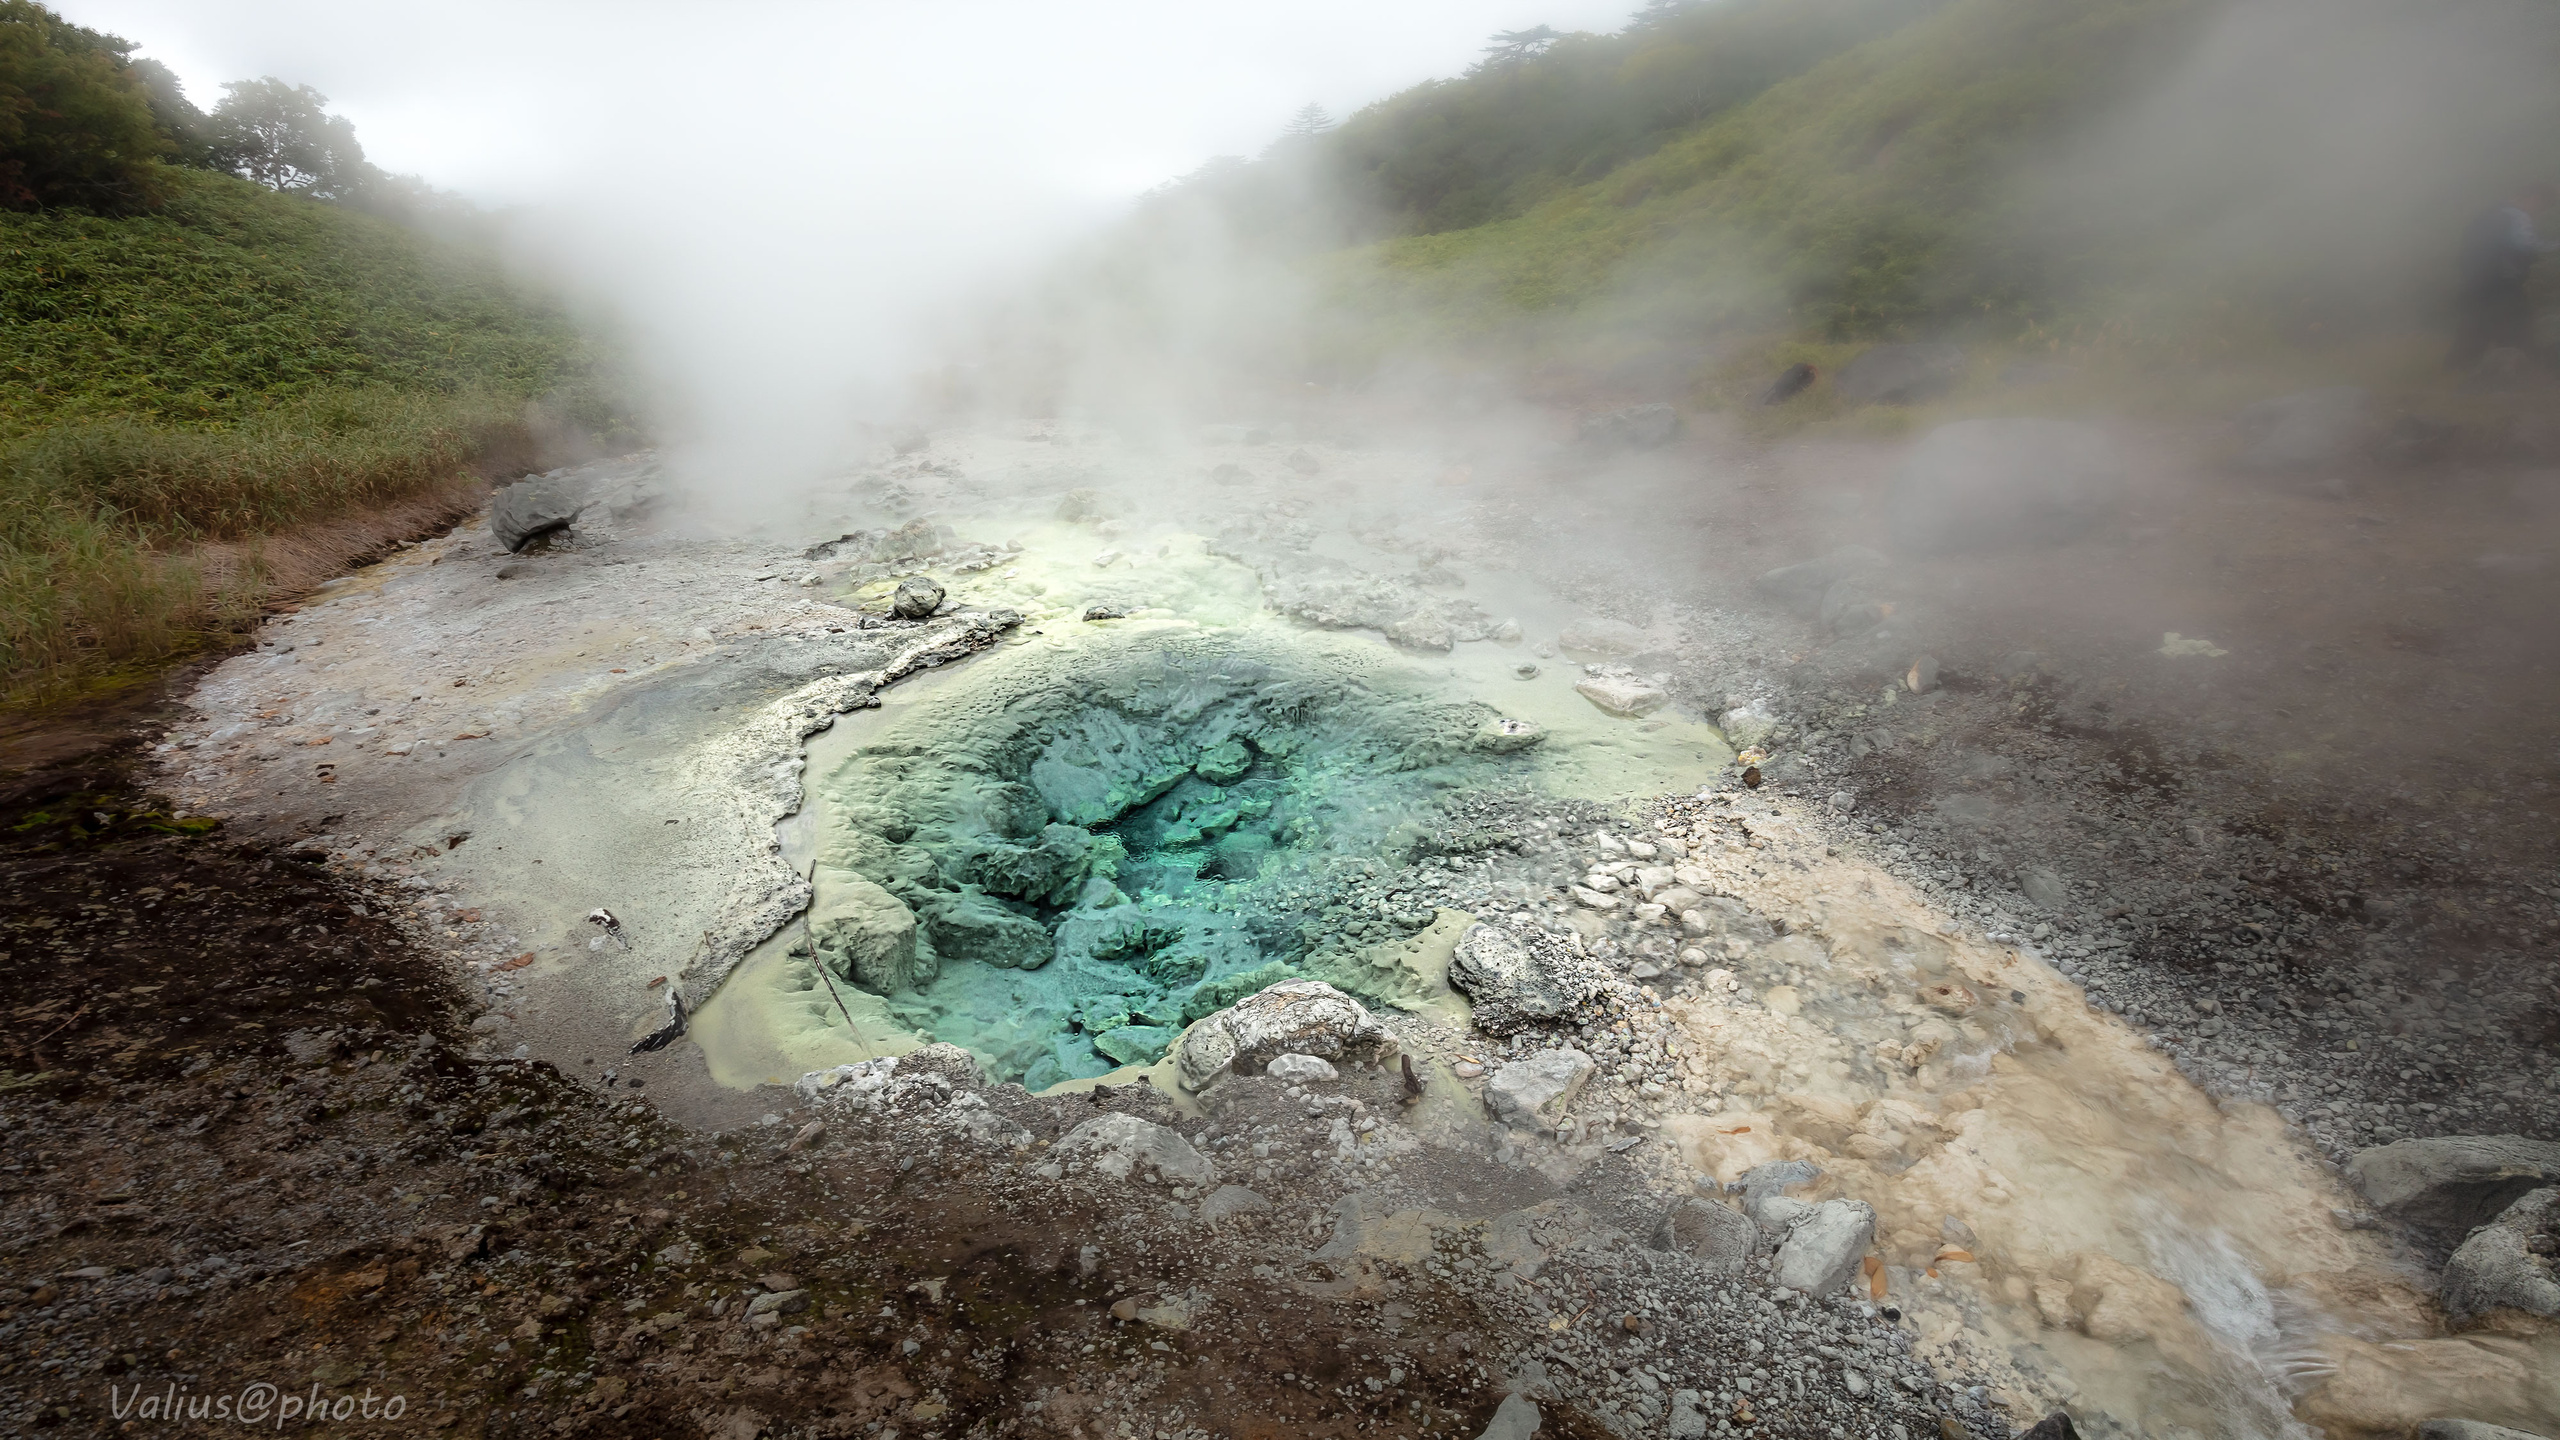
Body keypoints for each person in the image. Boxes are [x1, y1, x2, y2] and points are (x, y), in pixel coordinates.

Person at [2450, 182, 2559, 368]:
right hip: (2502, 286)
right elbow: (2526, 244)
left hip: (2476, 283)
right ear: (2533, 198)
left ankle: (2454, 370)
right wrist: (2555, 246)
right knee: (2519, 329)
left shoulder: (2490, 214)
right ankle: (2526, 372)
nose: (2539, 212)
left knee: (2474, 331)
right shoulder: (2517, 215)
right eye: (2542, 205)